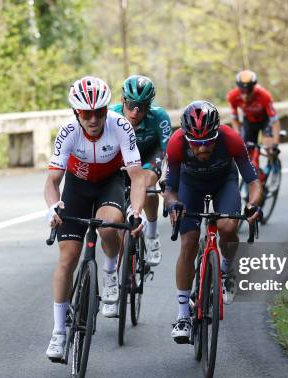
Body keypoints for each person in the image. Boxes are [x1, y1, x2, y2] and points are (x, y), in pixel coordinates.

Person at [44, 76, 146, 359]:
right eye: (85, 113)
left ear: (106, 110)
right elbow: (53, 181)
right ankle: (58, 333)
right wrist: (53, 208)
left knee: (109, 227)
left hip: (108, 184)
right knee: (67, 258)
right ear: (76, 113)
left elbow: (136, 178)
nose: (93, 119)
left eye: (99, 112)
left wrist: (136, 212)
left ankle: (111, 271)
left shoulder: (121, 126)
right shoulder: (67, 132)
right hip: (76, 187)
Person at [164, 100, 262, 344]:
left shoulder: (231, 139)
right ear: (187, 138)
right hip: (191, 185)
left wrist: (252, 204)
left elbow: (253, 181)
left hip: (223, 183)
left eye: (208, 141)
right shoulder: (176, 143)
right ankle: (183, 315)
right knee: (187, 243)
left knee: (227, 226)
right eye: (196, 144)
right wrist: (173, 204)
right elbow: (170, 189)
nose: (202, 149)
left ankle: (227, 270)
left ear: (216, 134)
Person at [110, 75, 171, 266]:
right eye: (131, 105)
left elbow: (169, 152)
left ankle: (152, 235)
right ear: (122, 101)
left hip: (149, 156)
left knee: (147, 184)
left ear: (149, 106)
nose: (135, 112)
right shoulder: (111, 115)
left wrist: (168, 180)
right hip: (122, 158)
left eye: (142, 107)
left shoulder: (160, 117)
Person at [227, 70, 281, 150]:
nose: (245, 95)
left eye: (249, 91)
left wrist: (276, 142)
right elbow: (234, 118)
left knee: (269, 145)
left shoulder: (264, 95)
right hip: (249, 120)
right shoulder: (233, 96)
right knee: (247, 149)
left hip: (265, 120)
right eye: (242, 91)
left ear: (254, 88)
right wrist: (237, 133)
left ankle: (272, 158)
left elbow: (275, 121)